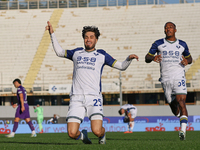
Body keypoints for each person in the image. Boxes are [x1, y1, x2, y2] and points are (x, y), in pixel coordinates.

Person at [45, 21, 139, 144]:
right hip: (76, 98)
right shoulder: (76, 52)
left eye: (91, 37)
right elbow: (59, 52)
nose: (88, 39)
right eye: (86, 37)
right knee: (72, 133)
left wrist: (128, 59)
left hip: (94, 98)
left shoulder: (102, 55)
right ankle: (83, 137)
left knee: (97, 131)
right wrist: (52, 33)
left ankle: (102, 135)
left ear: (96, 40)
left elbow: (121, 66)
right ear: (83, 39)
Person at [145, 22, 193, 140]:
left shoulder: (182, 44)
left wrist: (187, 61)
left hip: (179, 76)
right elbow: (147, 57)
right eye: (166, 28)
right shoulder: (158, 43)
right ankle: (177, 114)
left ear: (175, 30)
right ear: (164, 31)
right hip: (165, 79)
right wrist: (153, 57)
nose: (168, 29)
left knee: (182, 102)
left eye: (170, 27)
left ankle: (182, 131)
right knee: (173, 106)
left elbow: (190, 58)